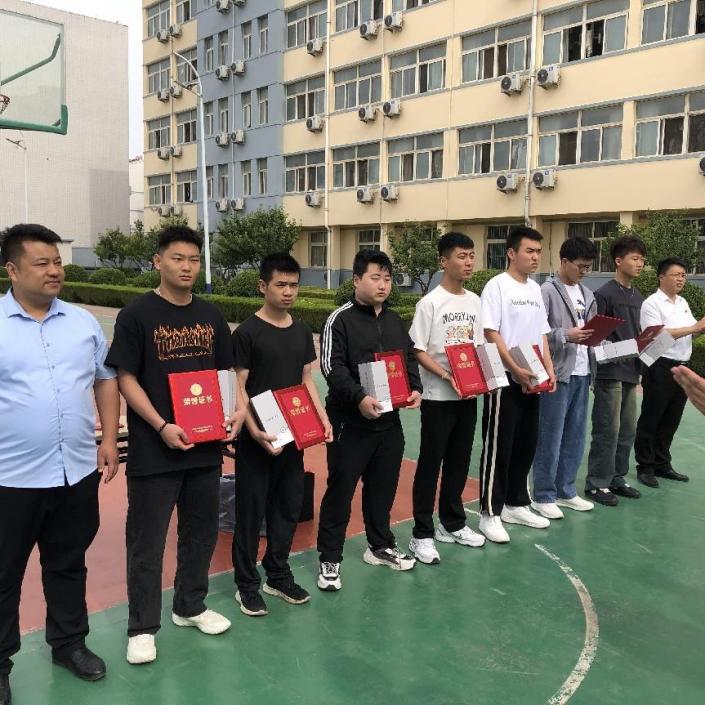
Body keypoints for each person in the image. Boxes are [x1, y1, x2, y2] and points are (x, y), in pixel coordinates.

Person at [105, 226, 243, 665]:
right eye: (178, 258)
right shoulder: (136, 315)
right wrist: (161, 424)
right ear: (158, 261)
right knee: (146, 542)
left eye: (194, 259)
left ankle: (190, 605)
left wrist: (236, 411)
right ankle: (142, 627)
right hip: (156, 449)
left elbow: (226, 373)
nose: (187, 267)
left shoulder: (210, 315)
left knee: (200, 533)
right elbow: (125, 377)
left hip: (204, 447)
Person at [0, 224, 120, 704]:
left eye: (57, 261)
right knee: (4, 575)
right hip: (10, 478)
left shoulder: (82, 322)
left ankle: (69, 644)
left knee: (68, 563)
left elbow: (105, 379)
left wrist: (107, 438)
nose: (54, 271)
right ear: (13, 270)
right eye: (42, 263)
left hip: (75, 471)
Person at [231, 253, 332, 617]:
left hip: (293, 435)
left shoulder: (302, 331)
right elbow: (238, 385)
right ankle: (246, 583)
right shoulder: (247, 333)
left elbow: (306, 380)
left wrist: (322, 418)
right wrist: (253, 429)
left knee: (287, 507)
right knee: (251, 511)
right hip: (257, 439)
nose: (288, 292)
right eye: (281, 285)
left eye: (293, 285)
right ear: (263, 286)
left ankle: (277, 573)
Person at [316, 250, 422, 590]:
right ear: (356, 280)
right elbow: (332, 367)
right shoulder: (340, 319)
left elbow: (407, 358)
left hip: (389, 421)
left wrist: (415, 388)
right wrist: (359, 398)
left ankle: (380, 546)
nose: (383, 285)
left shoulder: (394, 320)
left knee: (383, 487)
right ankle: (330, 558)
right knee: (341, 490)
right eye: (375, 278)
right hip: (350, 422)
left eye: (387, 279)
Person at [407, 232, 485, 565]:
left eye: (471, 256)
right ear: (444, 261)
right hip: (438, 397)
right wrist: (445, 376)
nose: (468, 262)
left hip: (468, 395)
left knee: (459, 461)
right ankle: (421, 534)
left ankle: (451, 523)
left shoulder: (475, 301)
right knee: (430, 464)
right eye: (461, 256)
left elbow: (478, 347)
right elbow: (418, 349)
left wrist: (483, 377)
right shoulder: (430, 303)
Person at [478, 226, 556, 544]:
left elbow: (542, 334)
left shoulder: (535, 289)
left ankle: (516, 504)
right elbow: (490, 332)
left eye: (538, 252)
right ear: (511, 253)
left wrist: (548, 369)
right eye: (529, 251)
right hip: (505, 378)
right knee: (500, 445)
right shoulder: (496, 286)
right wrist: (514, 368)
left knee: (527, 442)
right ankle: (490, 512)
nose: (535, 257)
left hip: (532, 377)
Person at [531, 236, 597, 519]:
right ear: (564, 261)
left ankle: (566, 490)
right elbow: (537, 333)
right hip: (558, 373)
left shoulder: (588, 294)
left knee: (575, 435)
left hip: (583, 372)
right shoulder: (546, 291)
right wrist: (565, 335)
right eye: (580, 266)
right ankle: (543, 494)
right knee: (550, 435)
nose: (584, 271)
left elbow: (591, 331)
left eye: (588, 267)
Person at [585, 236, 646, 506]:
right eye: (635, 258)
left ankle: (617, 478)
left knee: (628, 430)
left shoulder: (639, 297)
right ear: (618, 261)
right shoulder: (604, 294)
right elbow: (597, 338)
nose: (640, 263)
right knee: (607, 429)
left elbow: (641, 334)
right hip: (610, 372)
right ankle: (597, 483)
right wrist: (621, 350)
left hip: (632, 371)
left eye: (642, 259)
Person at [634, 257, 705, 487]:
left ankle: (662, 464)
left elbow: (691, 331)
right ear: (661, 277)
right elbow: (656, 335)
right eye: (676, 275)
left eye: (683, 275)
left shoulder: (682, 302)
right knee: (652, 417)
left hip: (682, 366)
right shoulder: (652, 303)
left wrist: (700, 329)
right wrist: (693, 327)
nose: (681, 279)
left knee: (671, 418)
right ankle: (645, 467)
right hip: (659, 364)